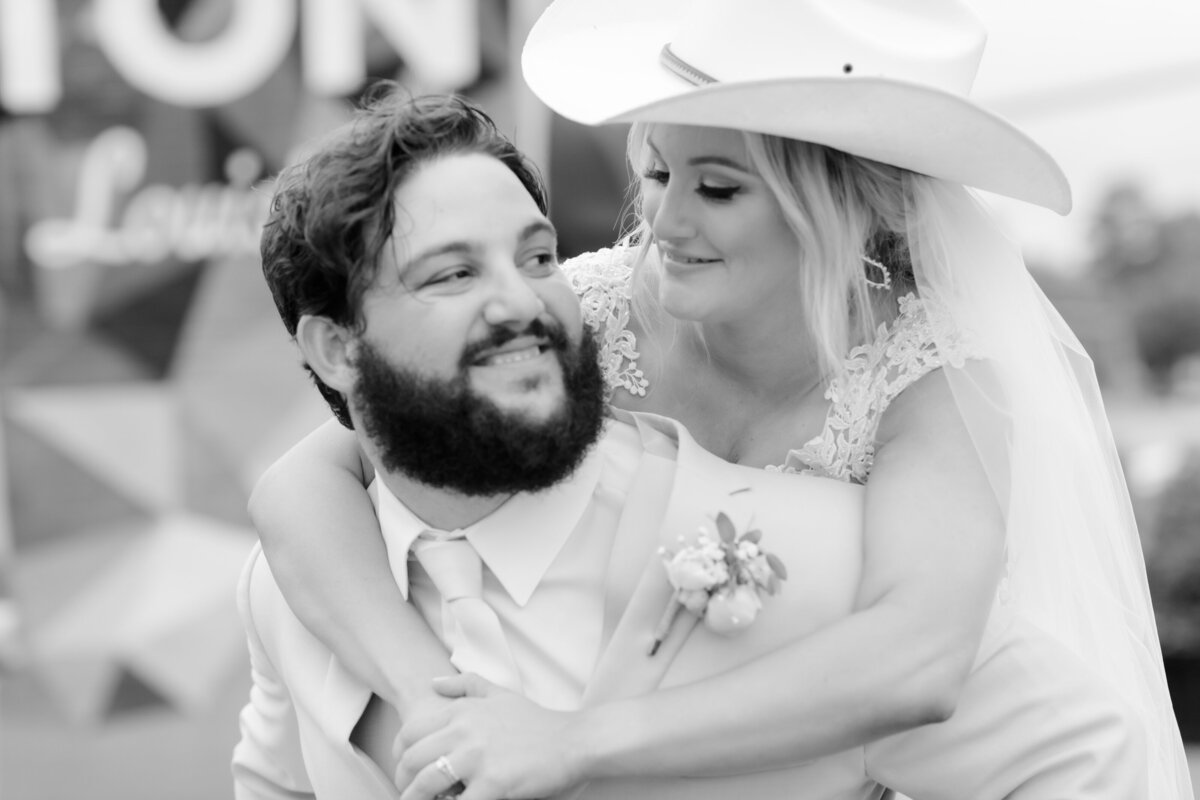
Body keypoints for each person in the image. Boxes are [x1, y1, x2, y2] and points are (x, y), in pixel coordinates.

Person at [243, 1, 1194, 798]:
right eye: (657, 173)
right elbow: (313, 475)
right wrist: (427, 696)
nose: (664, 220)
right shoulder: (599, 304)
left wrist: (578, 742)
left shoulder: (932, 376)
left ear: (842, 202)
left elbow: (920, 658)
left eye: (719, 187)